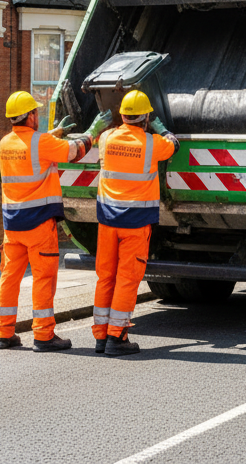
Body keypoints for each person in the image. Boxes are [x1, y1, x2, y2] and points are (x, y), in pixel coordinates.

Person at [0, 91, 111, 351]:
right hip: (38, 224)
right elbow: (74, 151)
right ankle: (44, 335)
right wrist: (92, 131)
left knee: (9, 277)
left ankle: (4, 332)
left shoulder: (5, 144)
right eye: (36, 112)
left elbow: (31, 147)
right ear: (31, 116)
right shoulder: (40, 144)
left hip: (12, 226)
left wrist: (53, 134)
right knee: (43, 278)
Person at [91, 90, 177, 356]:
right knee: (127, 279)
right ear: (147, 117)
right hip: (135, 224)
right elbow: (173, 145)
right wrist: (163, 130)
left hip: (107, 222)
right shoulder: (152, 143)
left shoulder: (106, 138)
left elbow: (95, 139)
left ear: (123, 116)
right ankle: (118, 338)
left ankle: (101, 336)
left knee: (105, 277)